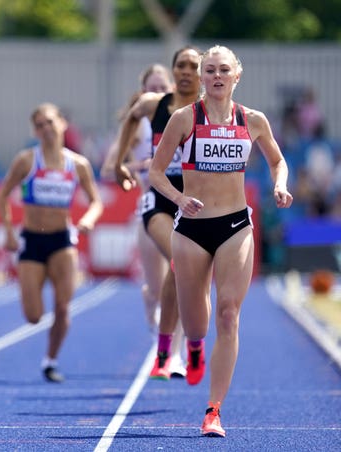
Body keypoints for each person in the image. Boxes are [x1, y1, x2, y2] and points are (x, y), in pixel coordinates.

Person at [148, 45, 292, 437]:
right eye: (208, 69)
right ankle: (193, 347)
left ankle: (214, 410)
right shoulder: (184, 118)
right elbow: (157, 173)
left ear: (236, 76)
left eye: (222, 70)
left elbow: (277, 160)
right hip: (192, 229)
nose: (215, 76)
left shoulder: (253, 120)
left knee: (229, 313)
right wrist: (178, 199)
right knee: (197, 323)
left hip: (235, 226)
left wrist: (279, 184)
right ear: (201, 76)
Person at [0, 102, 103, 383]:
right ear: (35, 130)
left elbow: (96, 201)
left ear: (63, 124)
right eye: (40, 125)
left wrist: (89, 219)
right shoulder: (27, 160)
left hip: (62, 241)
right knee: (33, 316)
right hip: (32, 240)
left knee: (64, 306)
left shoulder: (78, 164)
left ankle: (50, 360)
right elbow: (2, 195)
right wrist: (8, 231)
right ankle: (46, 347)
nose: (46, 129)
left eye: (50, 122)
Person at [115, 46, 202, 380]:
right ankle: (171, 354)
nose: (185, 71)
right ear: (173, 70)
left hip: (194, 200)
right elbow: (132, 116)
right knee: (180, 262)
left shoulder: (207, 110)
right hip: (160, 198)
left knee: (186, 276)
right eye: (180, 65)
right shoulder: (156, 104)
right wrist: (122, 161)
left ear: (201, 73)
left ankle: (183, 347)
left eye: (193, 66)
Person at [101, 64, 179, 347]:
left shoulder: (182, 118)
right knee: (159, 287)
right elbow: (109, 169)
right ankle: (151, 297)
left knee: (183, 278)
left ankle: (176, 351)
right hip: (150, 206)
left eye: (163, 87)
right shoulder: (138, 125)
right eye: (153, 88)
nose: (158, 92)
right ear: (144, 92)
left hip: (182, 207)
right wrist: (140, 166)